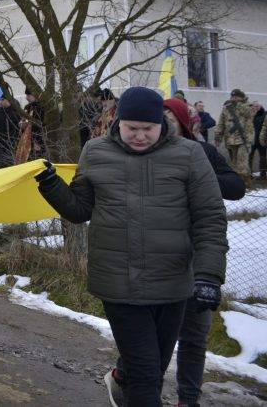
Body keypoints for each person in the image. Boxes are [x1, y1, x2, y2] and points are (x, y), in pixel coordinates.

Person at [35, 86, 227, 407]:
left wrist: (208, 276)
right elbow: (80, 210)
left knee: (154, 369)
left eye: (147, 129)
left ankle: (123, 385)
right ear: (118, 122)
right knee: (145, 374)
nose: (139, 136)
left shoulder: (189, 155)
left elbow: (210, 218)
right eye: (131, 128)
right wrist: (52, 186)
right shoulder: (95, 151)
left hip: (173, 284)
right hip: (119, 284)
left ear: (161, 123)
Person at [103, 97, 244, 407]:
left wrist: (198, 180)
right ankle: (127, 377)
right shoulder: (134, 156)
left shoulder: (200, 153)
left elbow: (236, 187)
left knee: (193, 334)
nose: (149, 131)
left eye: (165, 119)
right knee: (147, 344)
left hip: (196, 258)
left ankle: (187, 400)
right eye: (141, 125)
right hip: (152, 264)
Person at [215, 88, 255, 178]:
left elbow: (250, 114)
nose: (233, 98)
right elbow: (221, 123)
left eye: (236, 97)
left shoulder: (248, 105)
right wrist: (218, 137)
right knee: (234, 163)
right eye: (232, 96)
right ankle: (239, 182)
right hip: (231, 140)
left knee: (242, 163)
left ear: (241, 97)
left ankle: (244, 184)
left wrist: (239, 103)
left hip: (244, 139)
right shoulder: (227, 108)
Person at [0, 95, 21, 168]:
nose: (0, 102)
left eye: (2, 100)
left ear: (8, 100)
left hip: (13, 143)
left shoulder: (16, 113)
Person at [251, 102, 266, 179]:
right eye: (254, 106)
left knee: (263, 157)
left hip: (262, 140)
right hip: (251, 140)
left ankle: (263, 174)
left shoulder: (265, 114)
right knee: (249, 156)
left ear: (261, 106)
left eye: (257, 106)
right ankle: (249, 173)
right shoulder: (250, 115)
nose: (255, 108)